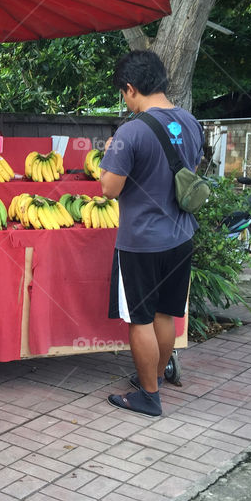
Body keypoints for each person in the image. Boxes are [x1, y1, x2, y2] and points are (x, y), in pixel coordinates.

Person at [98, 50, 204, 417]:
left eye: (123, 94)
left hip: (141, 241)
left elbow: (109, 189)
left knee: (140, 318)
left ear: (131, 89)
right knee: (165, 314)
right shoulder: (191, 122)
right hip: (181, 236)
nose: (124, 101)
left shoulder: (131, 131)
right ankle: (154, 379)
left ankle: (147, 396)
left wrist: (107, 155)